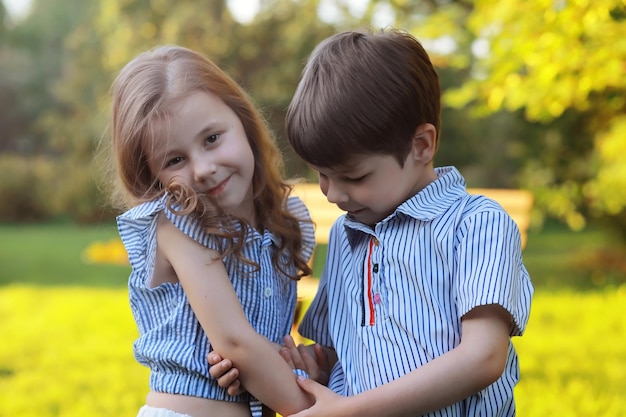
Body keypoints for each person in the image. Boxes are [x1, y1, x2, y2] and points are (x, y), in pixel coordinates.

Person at [209, 27, 534, 417]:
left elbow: (483, 358)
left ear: (422, 145)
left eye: (356, 177)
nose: (333, 193)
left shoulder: (476, 225)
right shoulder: (349, 235)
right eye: (321, 174)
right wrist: (267, 366)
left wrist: (349, 412)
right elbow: (336, 357)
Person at [108, 44, 315, 417]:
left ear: (243, 121)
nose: (202, 169)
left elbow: (270, 349)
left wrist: (283, 367)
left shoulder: (288, 222)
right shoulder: (176, 222)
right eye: (175, 160)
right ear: (151, 173)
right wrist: (323, 409)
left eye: (212, 139)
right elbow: (237, 344)